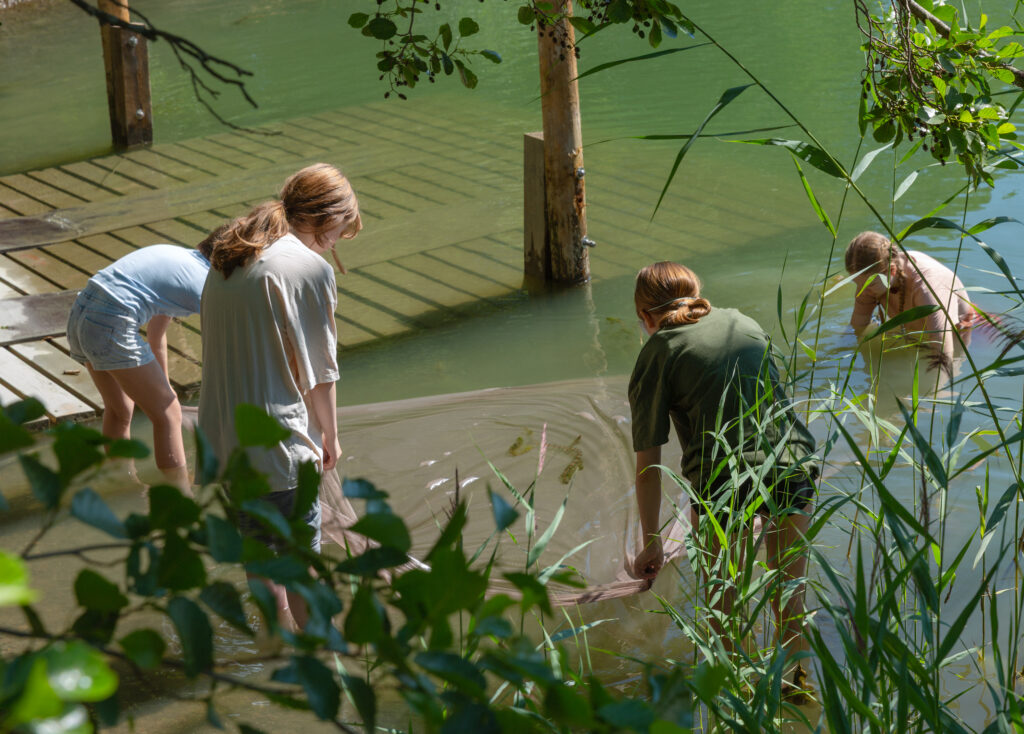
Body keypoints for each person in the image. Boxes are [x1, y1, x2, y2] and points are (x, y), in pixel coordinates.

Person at [198, 162, 361, 631]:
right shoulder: (306, 267)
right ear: (325, 218)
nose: (335, 241)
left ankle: (272, 647)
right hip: (277, 444)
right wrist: (330, 436)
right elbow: (320, 372)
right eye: (338, 230)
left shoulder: (232, 256)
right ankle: (320, 661)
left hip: (225, 442)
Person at [628, 261, 817, 665]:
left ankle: (743, 707)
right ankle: (799, 701)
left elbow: (648, 467)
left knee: (726, 614)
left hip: (723, 481)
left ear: (645, 317)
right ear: (697, 292)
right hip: (792, 463)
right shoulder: (742, 322)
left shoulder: (658, 352)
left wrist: (652, 543)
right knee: (790, 607)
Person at [66, 234, 219, 492]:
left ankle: (121, 483)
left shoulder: (178, 259)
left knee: (120, 410)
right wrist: (169, 405)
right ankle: (179, 495)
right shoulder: (206, 283)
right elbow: (225, 345)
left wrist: (166, 390)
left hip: (81, 313)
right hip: (110, 320)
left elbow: (156, 335)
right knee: (168, 415)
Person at [845, 231, 977, 375]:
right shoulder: (870, 281)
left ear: (892, 271)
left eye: (869, 285)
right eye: (857, 283)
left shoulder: (927, 288)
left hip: (968, 329)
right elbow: (857, 327)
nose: (863, 290)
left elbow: (943, 355)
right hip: (922, 332)